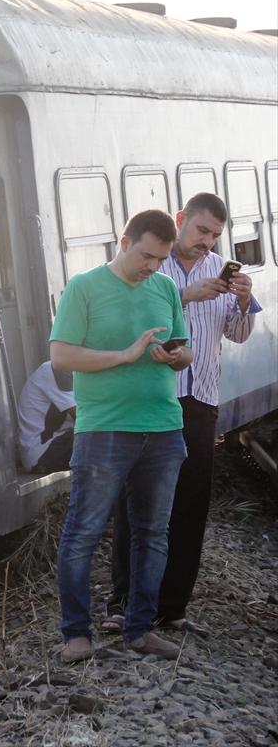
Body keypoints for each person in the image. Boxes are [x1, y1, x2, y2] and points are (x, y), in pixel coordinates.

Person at [104, 193, 261, 636]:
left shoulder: (220, 268)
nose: (207, 241)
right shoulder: (151, 264)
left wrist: (244, 303)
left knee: (190, 505)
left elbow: (238, 334)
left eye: (215, 235)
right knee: (137, 502)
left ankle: (172, 609)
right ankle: (123, 603)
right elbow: (126, 315)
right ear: (180, 220)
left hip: (201, 399)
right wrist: (186, 297)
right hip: (151, 398)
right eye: (201, 230)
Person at [49, 209, 192, 663]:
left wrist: (175, 357)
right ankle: (76, 635)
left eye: (161, 259)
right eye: (147, 255)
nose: (153, 266)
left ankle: (139, 629)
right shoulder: (83, 287)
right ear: (124, 241)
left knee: (153, 533)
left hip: (163, 427)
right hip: (105, 429)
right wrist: (125, 355)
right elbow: (61, 356)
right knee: (83, 533)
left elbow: (186, 349)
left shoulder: (165, 288)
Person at [16, 360, 77, 474]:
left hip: (59, 443)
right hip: (42, 452)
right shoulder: (58, 368)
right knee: (100, 432)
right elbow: (83, 418)